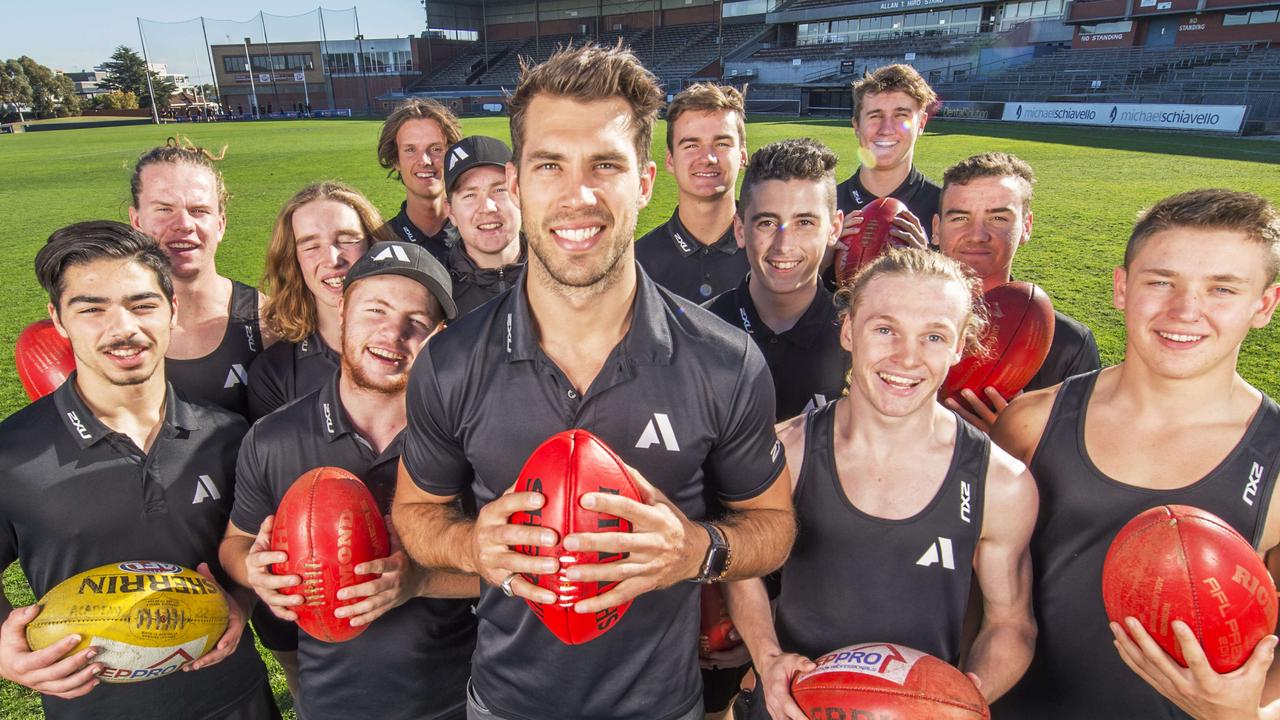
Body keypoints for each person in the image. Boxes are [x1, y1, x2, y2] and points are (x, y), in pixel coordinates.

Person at [390, 44, 797, 720]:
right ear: (518, 184)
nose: (577, 195)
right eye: (550, 165)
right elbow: (414, 513)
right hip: (505, 704)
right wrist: (468, 544)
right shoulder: (450, 361)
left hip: (662, 706)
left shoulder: (725, 362)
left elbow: (774, 526)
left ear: (643, 181)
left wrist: (697, 549)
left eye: (604, 165)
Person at [992, 189, 1280, 719]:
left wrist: (1240, 714)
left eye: (1222, 288)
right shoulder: (1030, 423)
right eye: (1160, 281)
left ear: (1263, 305)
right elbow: (976, 600)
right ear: (1122, 287)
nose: (1185, 310)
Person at [728, 247, 1038, 720]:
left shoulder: (1001, 482)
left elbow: (1011, 623)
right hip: (788, 707)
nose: (906, 357)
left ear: (959, 346)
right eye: (885, 329)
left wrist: (963, 697)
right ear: (850, 330)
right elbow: (743, 568)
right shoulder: (785, 451)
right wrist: (768, 657)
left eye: (933, 336)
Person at [0, 221, 276, 719]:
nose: (122, 328)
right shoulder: (11, 454)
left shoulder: (229, 436)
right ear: (58, 320)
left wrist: (241, 602)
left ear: (172, 311)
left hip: (235, 699)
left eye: (142, 304)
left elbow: (249, 551)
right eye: (91, 309)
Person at [222, 240, 478, 720]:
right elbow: (235, 542)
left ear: (439, 336)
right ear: (341, 311)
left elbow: (517, 569)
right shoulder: (273, 438)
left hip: (459, 697)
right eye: (375, 309)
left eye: (416, 322)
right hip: (333, 700)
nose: (392, 333)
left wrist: (421, 581)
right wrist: (252, 570)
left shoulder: (470, 439)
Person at [933, 152, 1101, 431]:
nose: (977, 234)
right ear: (937, 230)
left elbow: (1087, 451)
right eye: (960, 218)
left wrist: (1019, 441)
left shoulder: (1068, 344)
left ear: (1026, 227)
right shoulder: (894, 318)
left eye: (998, 218)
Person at [127, 137, 275, 417]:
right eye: (164, 209)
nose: (183, 224)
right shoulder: (109, 327)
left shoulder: (267, 321)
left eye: (199, 211)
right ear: (137, 221)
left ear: (220, 224)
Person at [706, 138, 850, 423]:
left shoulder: (860, 341)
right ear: (739, 229)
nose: (783, 246)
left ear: (834, 228)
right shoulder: (696, 334)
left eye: (804, 223)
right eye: (767, 223)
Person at [248, 181, 394, 421]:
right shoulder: (274, 374)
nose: (333, 259)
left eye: (347, 239)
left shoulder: (420, 349)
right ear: (293, 262)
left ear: (374, 244)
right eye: (311, 246)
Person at [825, 64, 937, 290]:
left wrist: (930, 268)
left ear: (922, 123)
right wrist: (821, 260)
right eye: (875, 116)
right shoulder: (825, 207)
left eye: (901, 115)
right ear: (856, 125)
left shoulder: (947, 209)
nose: (886, 129)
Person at [635, 83, 750, 302]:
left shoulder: (772, 256)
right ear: (670, 160)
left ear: (743, 156)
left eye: (722, 144)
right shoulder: (637, 264)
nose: (707, 158)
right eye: (691, 146)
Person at [442, 135, 526, 316]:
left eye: (499, 190)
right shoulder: (438, 296)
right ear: (451, 212)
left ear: (520, 195)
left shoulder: (562, 275)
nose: (488, 207)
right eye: (470, 195)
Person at [377, 98, 464, 265]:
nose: (425, 160)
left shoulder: (479, 237)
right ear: (396, 161)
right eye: (410, 150)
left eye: (436, 149)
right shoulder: (380, 245)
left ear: (452, 156)